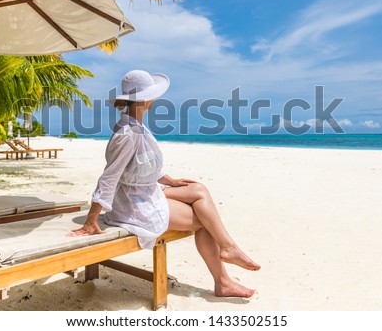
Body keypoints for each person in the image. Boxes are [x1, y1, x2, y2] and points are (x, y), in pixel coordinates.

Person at [68, 70, 260, 298]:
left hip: (146, 192)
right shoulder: (128, 134)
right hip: (133, 206)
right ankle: (224, 275)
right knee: (204, 221)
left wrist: (171, 181)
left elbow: (143, 166)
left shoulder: (137, 127)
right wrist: (92, 219)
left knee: (199, 189)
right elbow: (110, 177)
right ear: (145, 100)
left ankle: (228, 252)